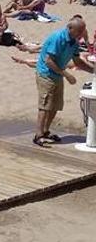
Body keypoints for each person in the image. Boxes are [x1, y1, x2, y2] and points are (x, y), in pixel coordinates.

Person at [33, 18, 94, 147]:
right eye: (79, 31)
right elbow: (48, 60)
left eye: (82, 31)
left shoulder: (74, 41)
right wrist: (66, 74)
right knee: (45, 105)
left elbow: (77, 61)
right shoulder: (58, 38)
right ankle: (38, 135)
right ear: (70, 28)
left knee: (55, 105)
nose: (81, 34)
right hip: (46, 73)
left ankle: (45, 131)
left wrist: (93, 70)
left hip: (57, 74)